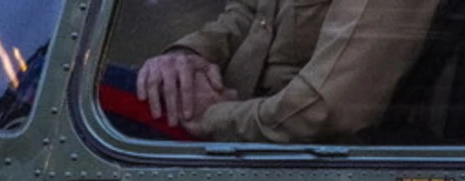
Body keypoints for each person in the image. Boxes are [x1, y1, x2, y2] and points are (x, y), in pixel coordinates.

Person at [129, 0, 442, 143]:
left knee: (99, 109)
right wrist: (189, 55)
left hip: (302, 157)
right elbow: (247, 13)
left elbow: (324, 108)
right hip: (240, 133)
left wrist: (214, 116)